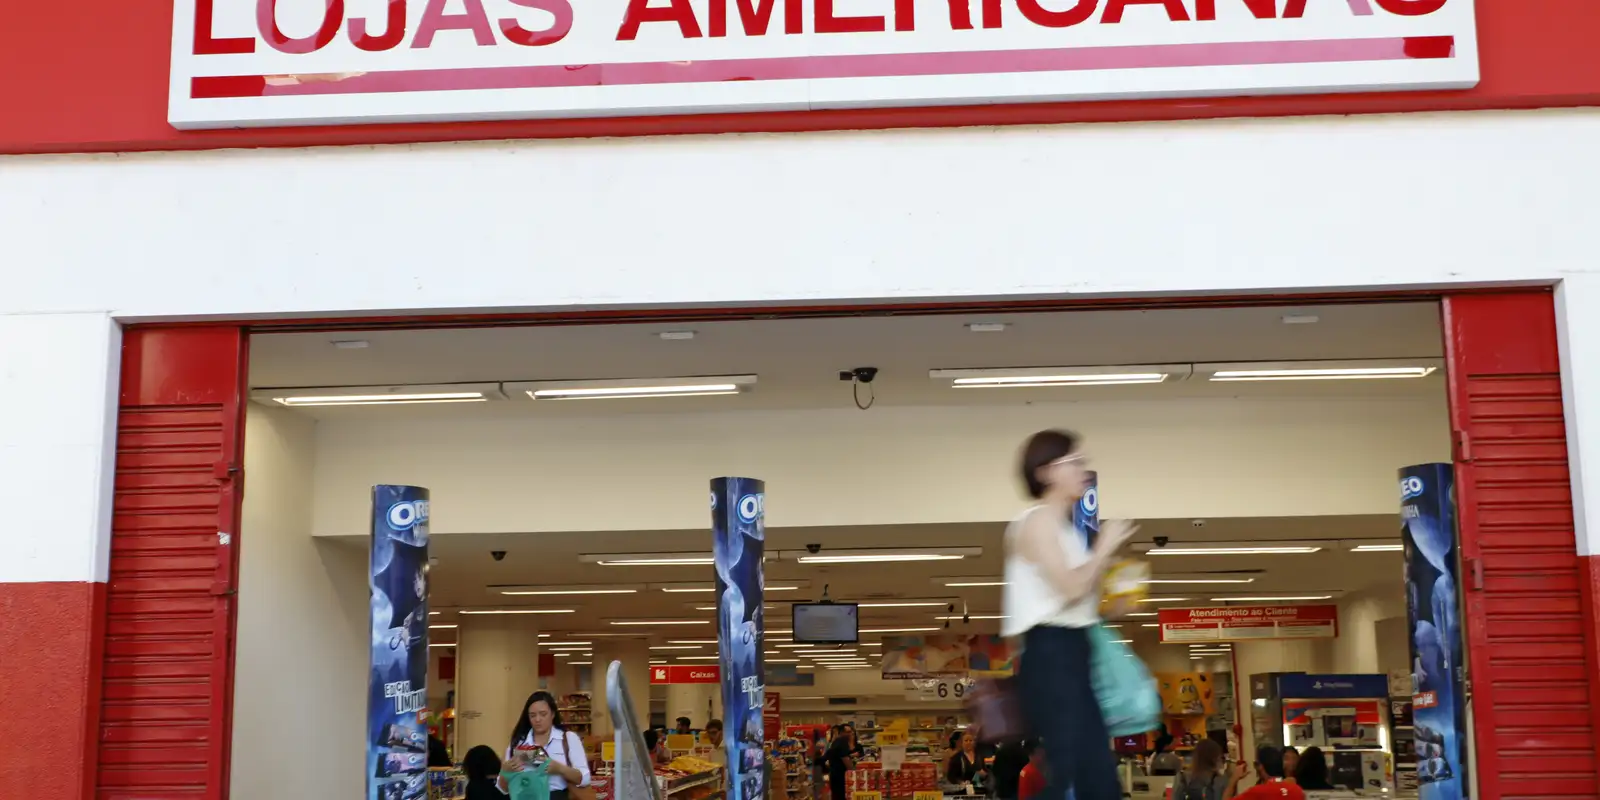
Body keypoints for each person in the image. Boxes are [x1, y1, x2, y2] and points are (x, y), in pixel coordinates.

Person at [1003, 430, 1139, 800]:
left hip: (1072, 652)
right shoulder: (1037, 522)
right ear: (1046, 471)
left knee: (1094, 775)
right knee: (1076, 775)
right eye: (1075, 462)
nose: (1084, 469)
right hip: (1052, 655)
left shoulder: (1066, 529)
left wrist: (1116, 602)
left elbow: (1080, 601)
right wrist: (1104, 548)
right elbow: (1071, 588)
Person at [502, 691, 593, 800]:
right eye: (532, 715)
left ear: (553, 714)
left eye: (543, 714)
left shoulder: (568, 739)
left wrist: (560, 769)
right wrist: (505, 772)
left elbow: (585, 778)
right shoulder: (518, 743)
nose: (537, 719)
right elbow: (503, 788)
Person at [1224, 745, 1305, 800]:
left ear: (1260, 766)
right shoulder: (1297, 790)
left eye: (1256, 764)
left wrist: (1233, 779)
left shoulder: (1256, 792)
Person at [822, 725, 857, 800]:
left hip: (835, 775)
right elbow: (845, 759)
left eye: (851, 731)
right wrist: (854, 772)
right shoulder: (842, 741)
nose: (850, 734)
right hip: (840, 777)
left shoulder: (837, 741)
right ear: (841, 733)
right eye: (848, 732)